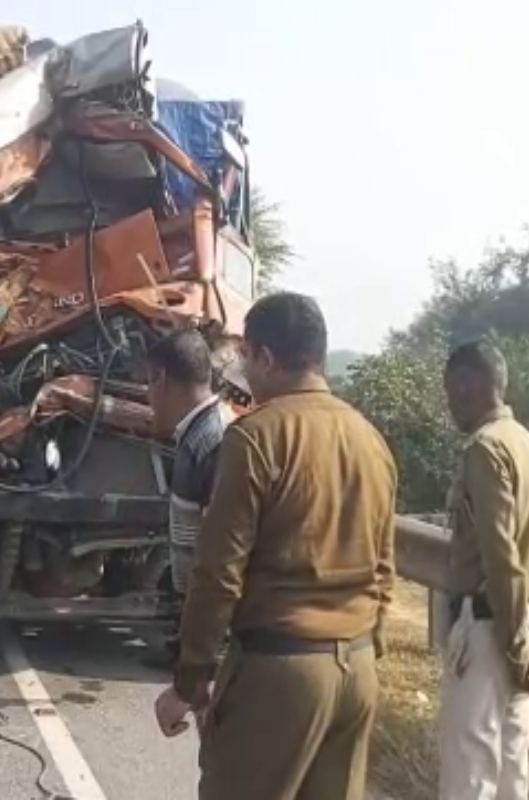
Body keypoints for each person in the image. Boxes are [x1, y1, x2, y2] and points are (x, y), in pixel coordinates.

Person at [153, 291, 397, 800]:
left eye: (246, 358)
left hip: (281, 673)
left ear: (265, 357)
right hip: (357, 671)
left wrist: (190, 679)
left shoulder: (256, 437)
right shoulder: (372, 440)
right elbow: (384, 568)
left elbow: (218, 572)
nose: (243, 371)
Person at [438, 340, 529, 800]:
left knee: (469, 776)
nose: (449, 403)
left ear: (466, 385)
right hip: (521, 625)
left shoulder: (485, 449)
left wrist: (515, 650)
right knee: (512, 771)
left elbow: (502, 556)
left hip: (490, 631)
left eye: (450, 390)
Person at [143, 327, 229, 671]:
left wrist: (201, 657)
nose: (147, 396)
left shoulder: (213, 441)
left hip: (213, 641)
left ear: (161, 378)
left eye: (148, 384)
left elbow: (220, 553)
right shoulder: (198, 433)